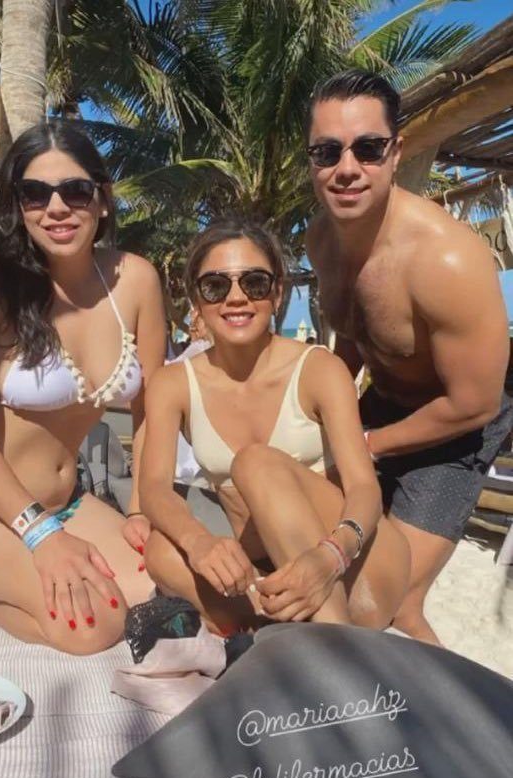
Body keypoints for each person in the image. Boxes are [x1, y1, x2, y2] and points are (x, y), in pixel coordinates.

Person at [0, 121, 166, 653]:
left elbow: (154, 410)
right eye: (35, 193)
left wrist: (141, 509)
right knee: (94, 624)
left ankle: (6, 579)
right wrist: (41, 536)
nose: (56, 208)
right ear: (18, 205)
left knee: (164, 585)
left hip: (68, 504)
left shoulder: (136, 281)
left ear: (103, 199)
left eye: (75, 190)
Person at [305, 69, 513, 645]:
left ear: (395, 153)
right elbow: (353, 335)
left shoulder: (446, 260)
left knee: (394, 604)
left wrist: (365, 445)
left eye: (368, 148)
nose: (347, 168)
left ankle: (445, 701)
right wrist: (323, 412)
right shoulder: (320, 240)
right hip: (380, 405)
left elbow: (474, 405)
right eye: (327, 151)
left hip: (456, 429)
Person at [140, 218, 410, 635]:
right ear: (196, 298)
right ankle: (280, 627)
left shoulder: (318, 369)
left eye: (254, 283)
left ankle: (335, 647)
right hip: (269, 572)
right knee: (162, 551)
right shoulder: (173, 383)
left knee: (255, 463)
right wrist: (199, 543)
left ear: (278, 292)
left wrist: (331, 555)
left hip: (356, 567)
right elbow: (154, 489)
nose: (236, 298)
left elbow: (364, 488)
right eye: (215, 286)